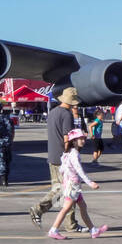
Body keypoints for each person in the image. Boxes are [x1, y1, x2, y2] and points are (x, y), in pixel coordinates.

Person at [29, 87, 82, 231]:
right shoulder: (67, 114)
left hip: (52, 155)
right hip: (62, 156)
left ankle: (70, 223)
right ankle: (38, 209)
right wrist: (69, 153)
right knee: (67, 191)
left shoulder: (52, 112)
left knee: (62, 190)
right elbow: (67, 137)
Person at [47, 129, 108, 240]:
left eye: (84, 138)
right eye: (80, 139)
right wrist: (90, 183)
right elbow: (79, 170)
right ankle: (53, 230)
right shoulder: (74, 154)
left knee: (83, 207)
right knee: (66, 209)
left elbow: (62, 169)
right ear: (73, 141)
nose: (83, 140)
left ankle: (93, 230)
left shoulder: (68, 152)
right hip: (73, 186)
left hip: (72, 185)